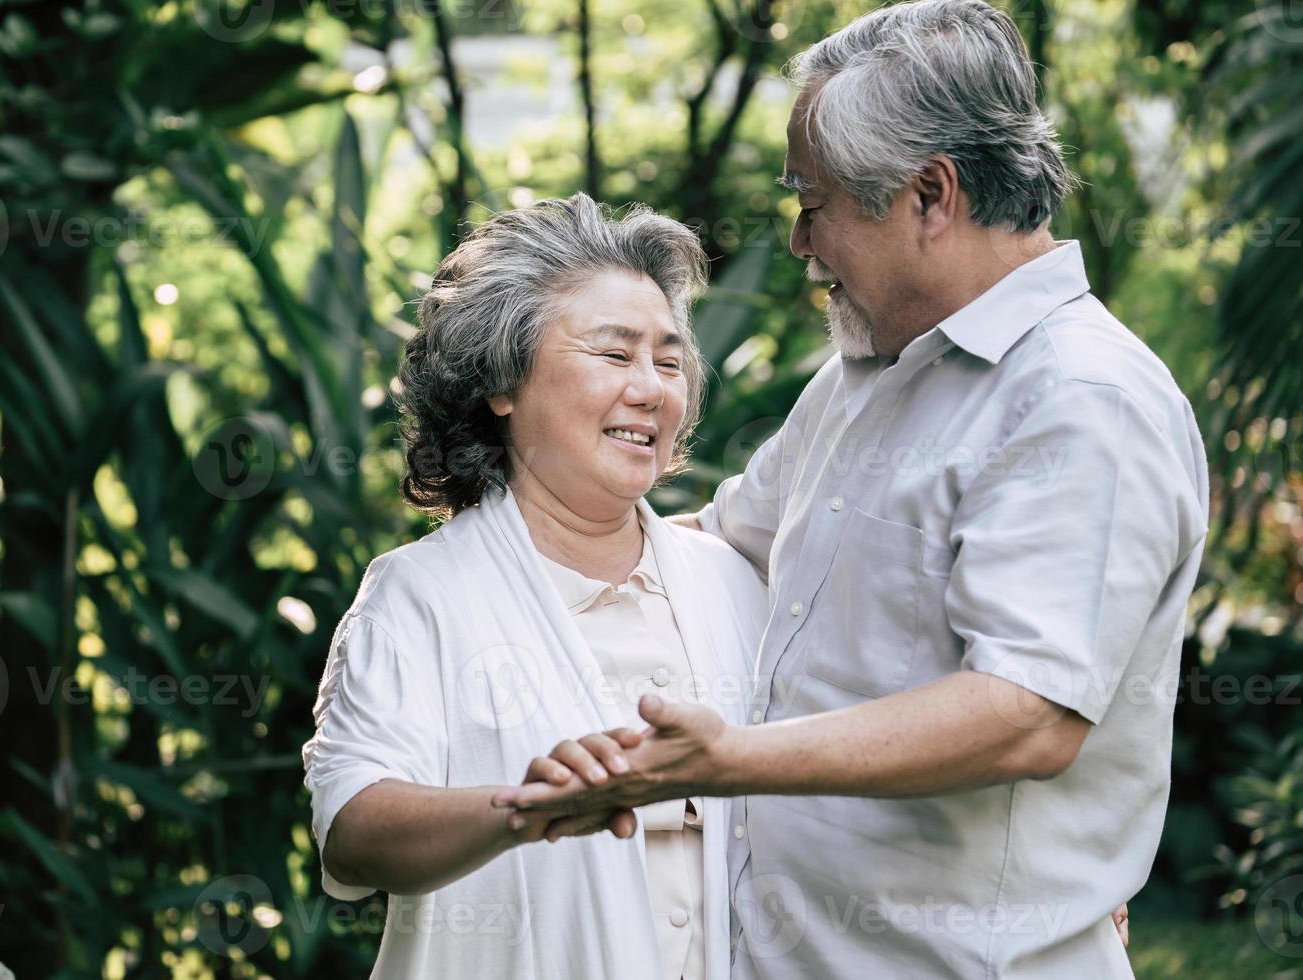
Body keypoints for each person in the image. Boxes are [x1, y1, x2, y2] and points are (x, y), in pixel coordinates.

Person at [494, 1, 1201, 977]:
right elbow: (716, 543)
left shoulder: (1081, 399)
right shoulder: (864, 376)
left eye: (813, 201)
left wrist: (726, 759)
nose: (797, 241)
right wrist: (487, 559)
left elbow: (1028, 712)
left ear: (929, 196)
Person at [301, 193, 768, 979]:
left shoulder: (730, 579)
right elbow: (353, 828)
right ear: (503, 381)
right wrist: (525, 810)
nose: (652, 388)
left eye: (667, 358)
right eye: (615, 355)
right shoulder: (421, 593)